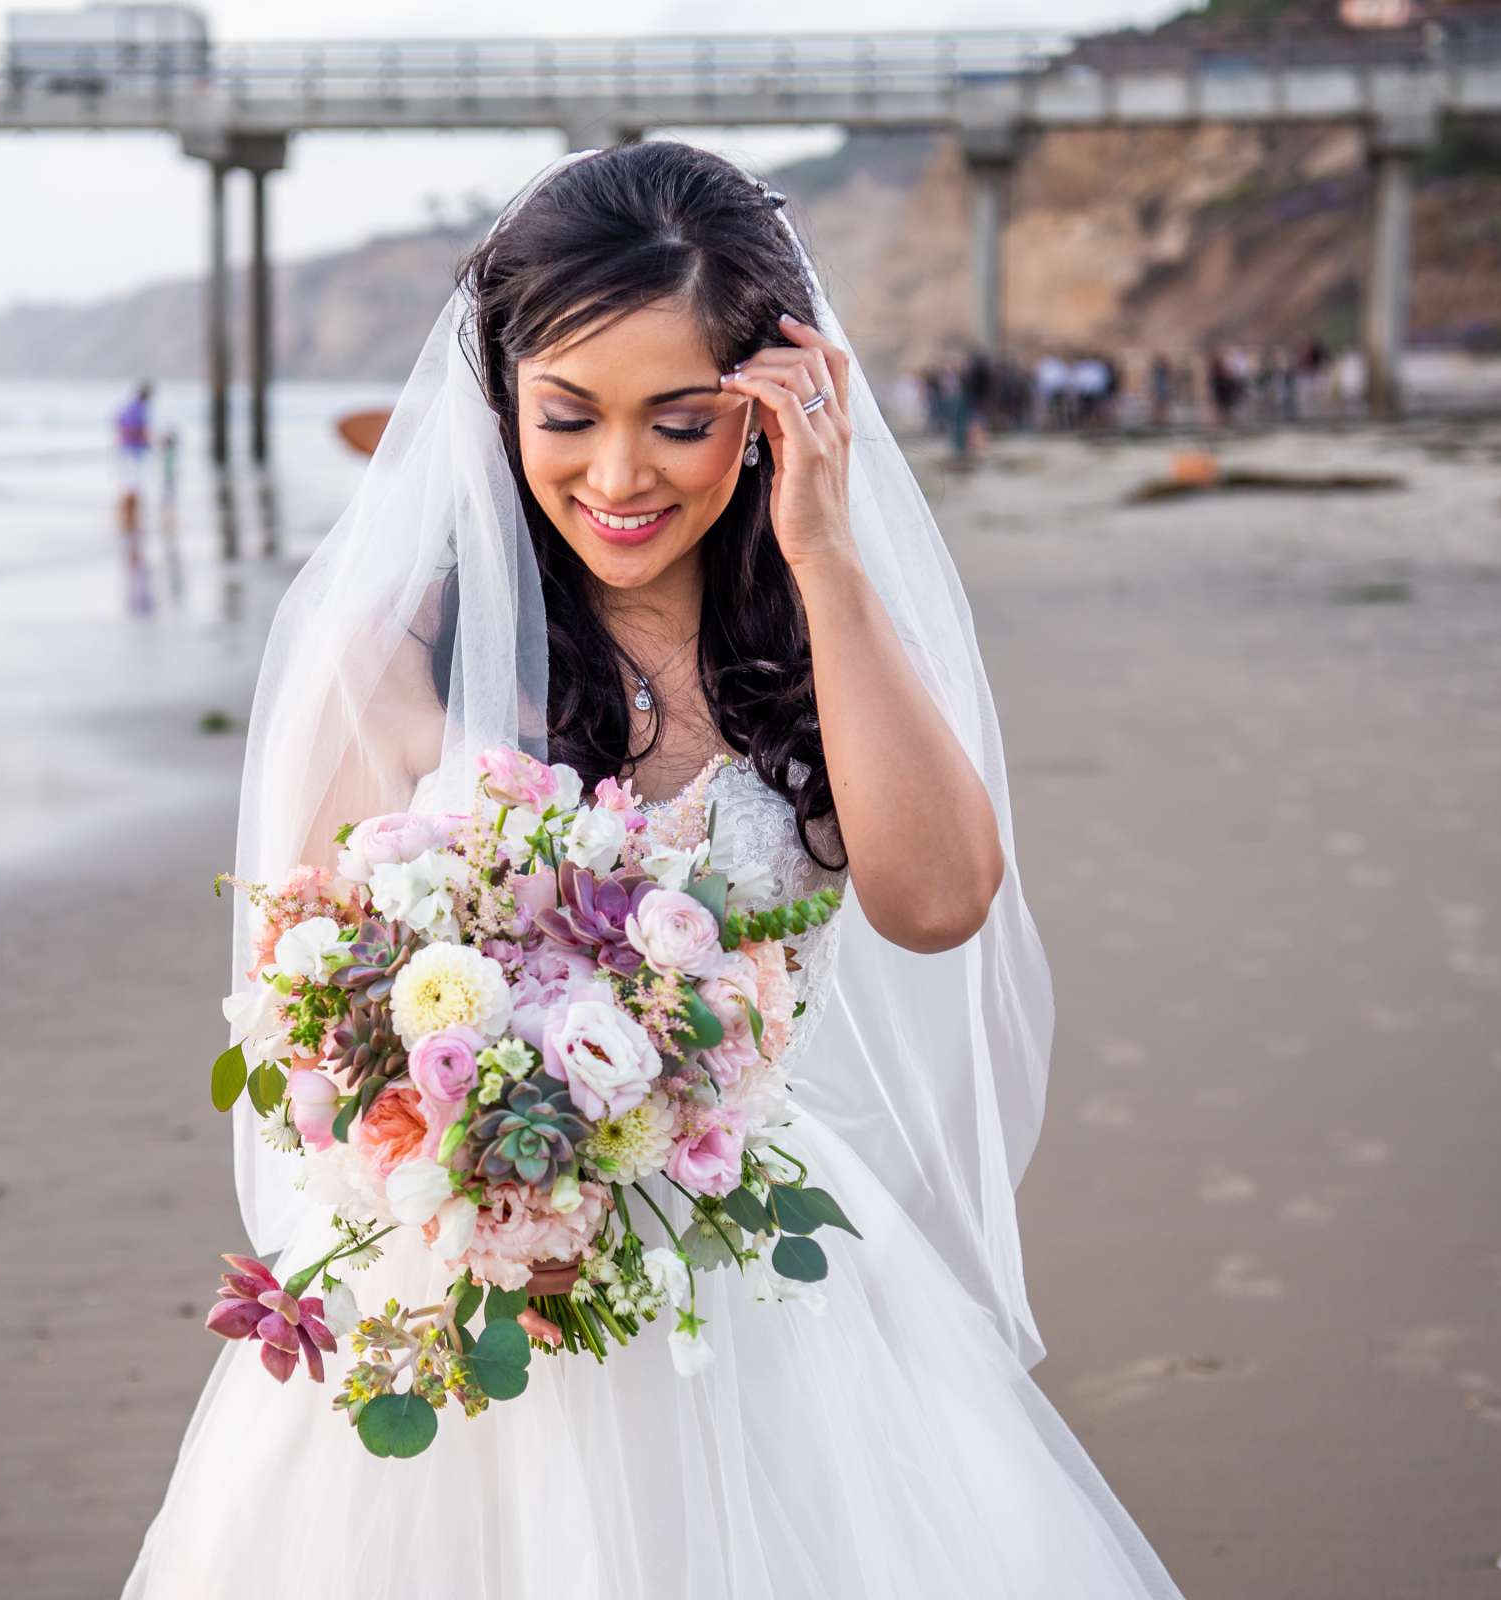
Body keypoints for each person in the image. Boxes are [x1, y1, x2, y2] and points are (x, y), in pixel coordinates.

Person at [121, 143, 1187, 1598]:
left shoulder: (824, 645)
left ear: (765, 411)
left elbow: (938, 904)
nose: (617, 477)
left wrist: (822, 551)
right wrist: (486, 1163)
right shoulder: (396, 662)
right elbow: (312, 1021)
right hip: (464, 1286)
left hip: (763, 1286)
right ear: (499, 407)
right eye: (567, 417)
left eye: (681, 422)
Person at [114, 380, 154, 531]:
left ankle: (128, 516)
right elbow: (139, 430)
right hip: (132, 451)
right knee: (132, 484)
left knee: (129, 482)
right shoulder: (139, 409)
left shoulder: (130, 407)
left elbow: (118, 422)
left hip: (127, 450)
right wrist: (146, 440)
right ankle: (129, 517)